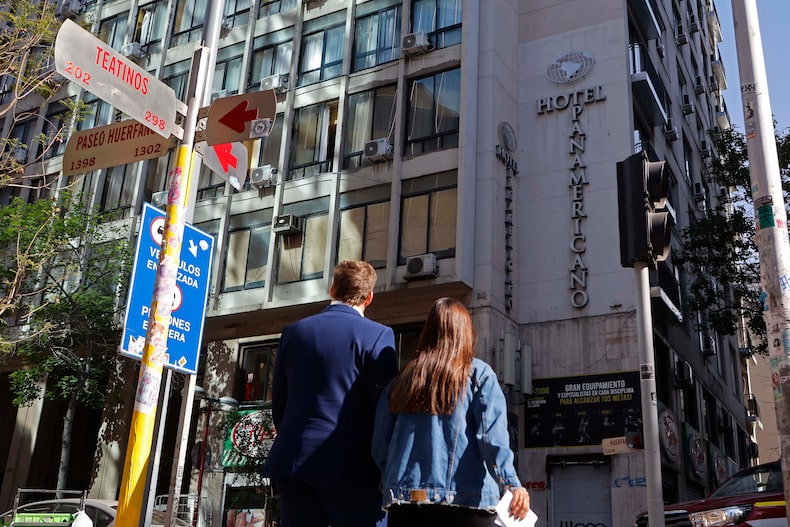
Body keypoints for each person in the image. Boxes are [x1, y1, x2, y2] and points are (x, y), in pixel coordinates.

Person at [372, 297, 530, 527]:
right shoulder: (480, 375)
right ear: (466, 333)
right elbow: (491, 439)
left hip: (407, 504)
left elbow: (380, 446)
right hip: (468, 504)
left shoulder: (402, 379)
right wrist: (512, 484)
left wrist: (394, 481)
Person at [263, 260, 398, 527]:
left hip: (294, 461)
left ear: (332, 289)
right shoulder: (378, 336)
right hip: (353, 468)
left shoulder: (295, 332)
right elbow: (384, 412)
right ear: (369, 297)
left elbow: (279, 402)